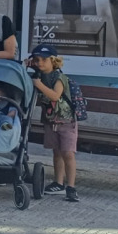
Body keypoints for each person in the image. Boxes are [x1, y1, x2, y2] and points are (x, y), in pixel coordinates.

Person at [30, 43, 79, 202]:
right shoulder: (39, 75)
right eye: (36, 60)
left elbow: (55, 96)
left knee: (68, 153)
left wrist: (38, 84)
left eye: (44, 60)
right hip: (51, 121)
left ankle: (71, 187)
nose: (40, 63)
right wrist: (27, 64)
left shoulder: (59, 77)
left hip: (66, 121)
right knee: (57, 152)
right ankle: (59, 183)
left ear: (53, 61)